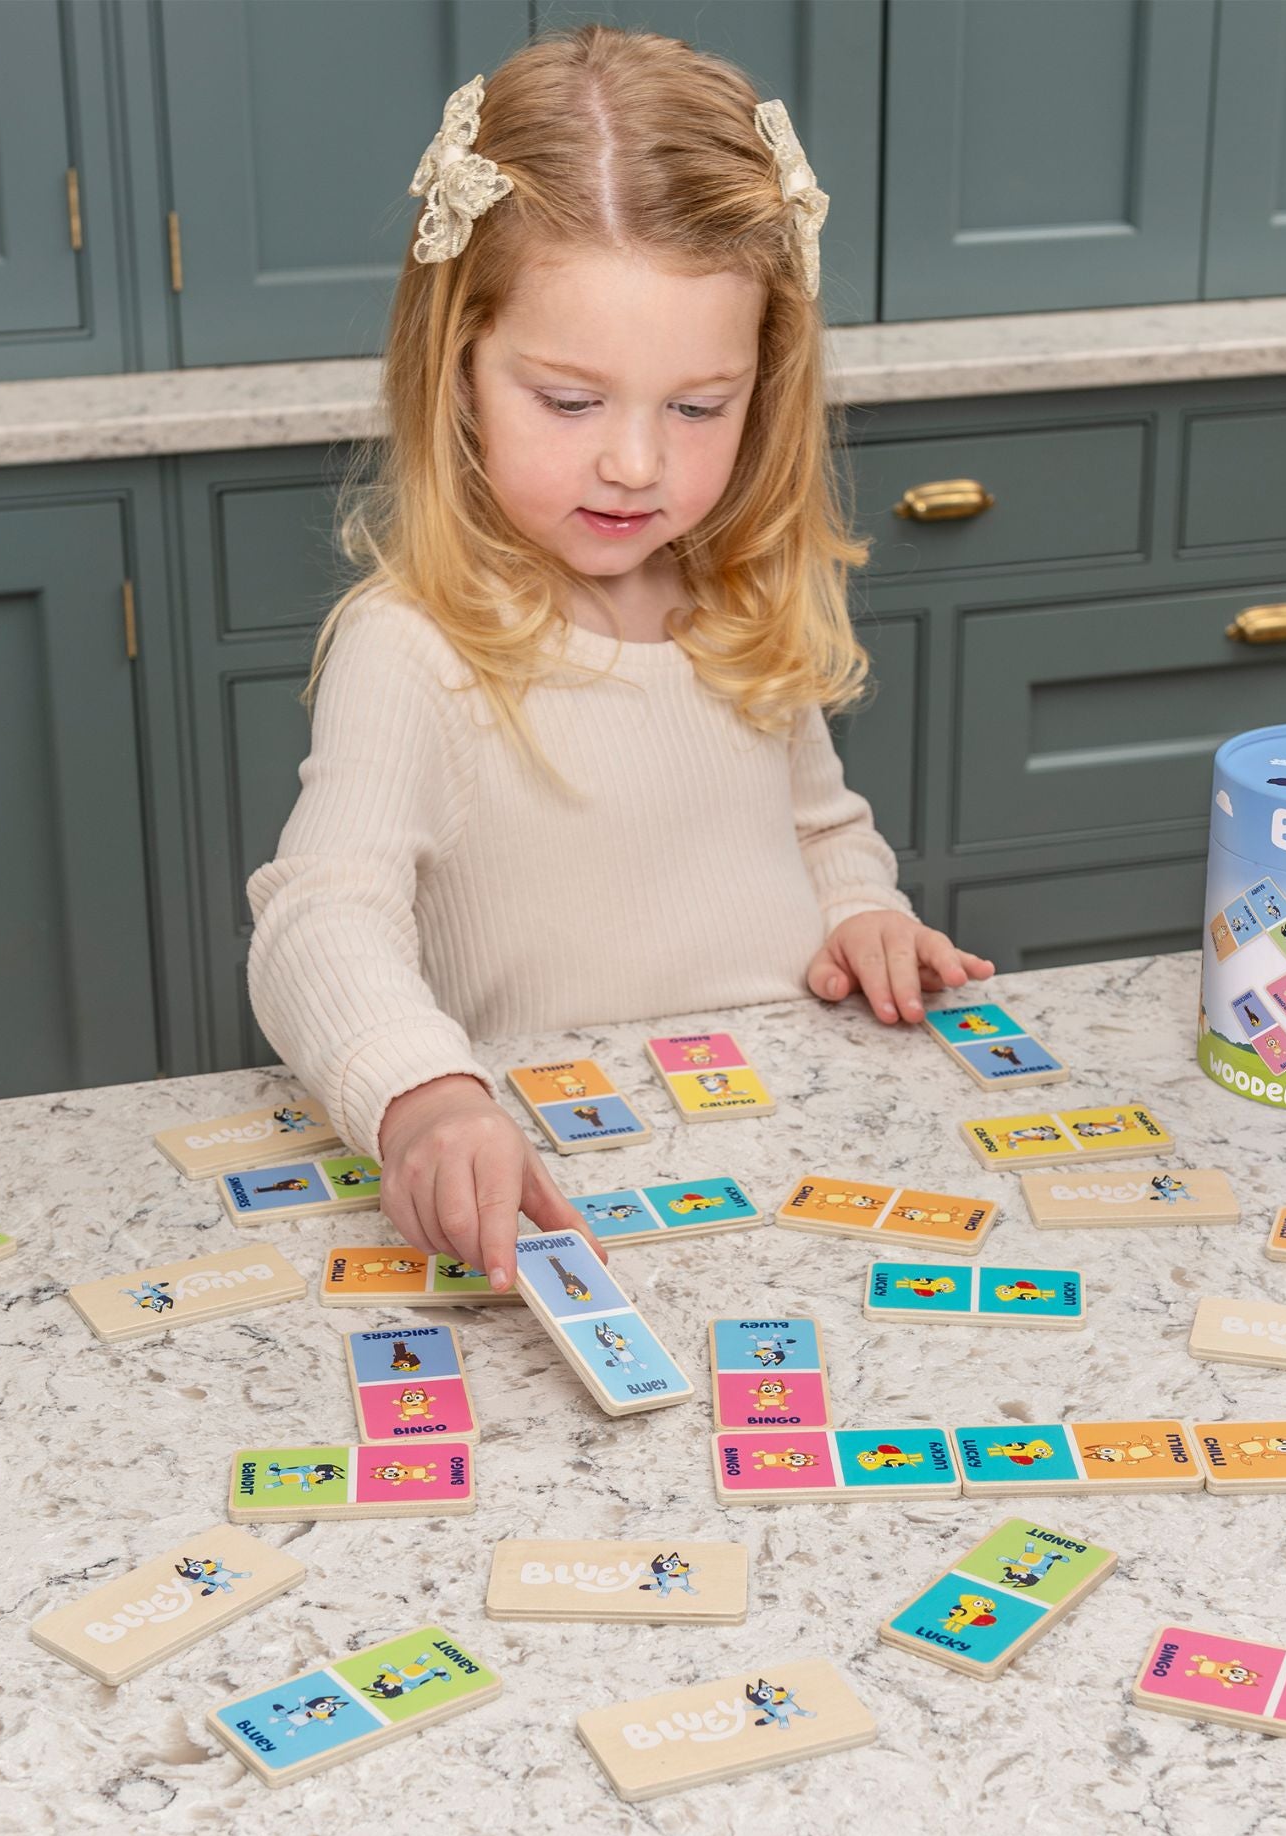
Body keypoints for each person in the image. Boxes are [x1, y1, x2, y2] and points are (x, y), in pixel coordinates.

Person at [247, 24, 993, 1293]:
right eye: (570, 400)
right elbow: (318, 915)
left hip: (781, 1193)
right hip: (569, 1205)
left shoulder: (735, 599)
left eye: (698, 406)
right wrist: (424, 1099)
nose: (636, 463)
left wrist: (863, 910)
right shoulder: (415, 648)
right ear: (458, 371)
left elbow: (821, 829)